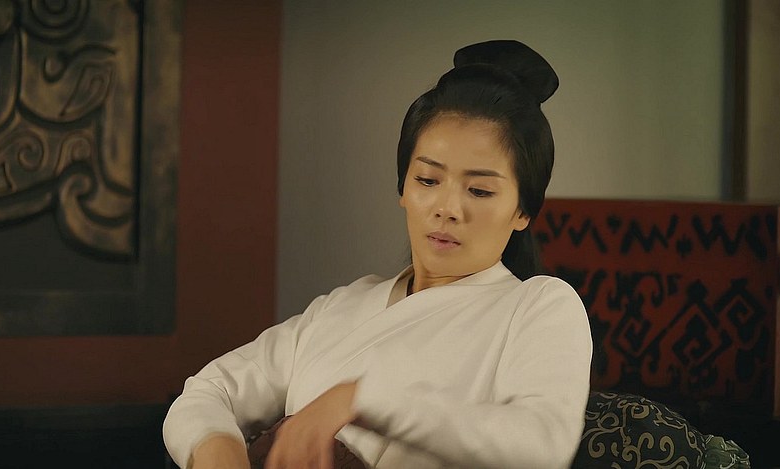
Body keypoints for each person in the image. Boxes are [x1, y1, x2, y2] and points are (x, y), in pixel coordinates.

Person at [163, 40, 593, 469]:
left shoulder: (538, 305)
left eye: (479, 190)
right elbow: (209, 390)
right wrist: (218, 449)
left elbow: (541, 444)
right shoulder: (341, 307)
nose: (447, 208)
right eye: (428, 180)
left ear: (522, 211)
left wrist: (361, 399)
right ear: (402, 187)